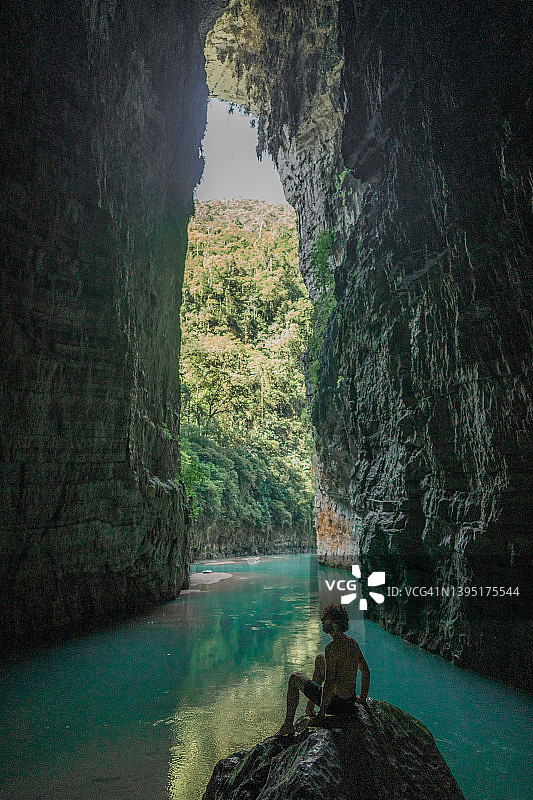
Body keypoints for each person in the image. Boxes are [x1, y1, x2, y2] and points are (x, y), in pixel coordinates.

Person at [274, 603, 370, 737]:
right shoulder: (352, 643)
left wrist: (322, 714)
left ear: (335, 623)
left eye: (326, 619)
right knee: (320, 659)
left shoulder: (332, 648)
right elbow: (365, 671)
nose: (322, 621)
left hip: (335, 704)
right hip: (349, 702)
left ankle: (288, 725)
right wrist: (362, 698)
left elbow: (329, 683)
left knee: (294, 678)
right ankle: (310, 706)